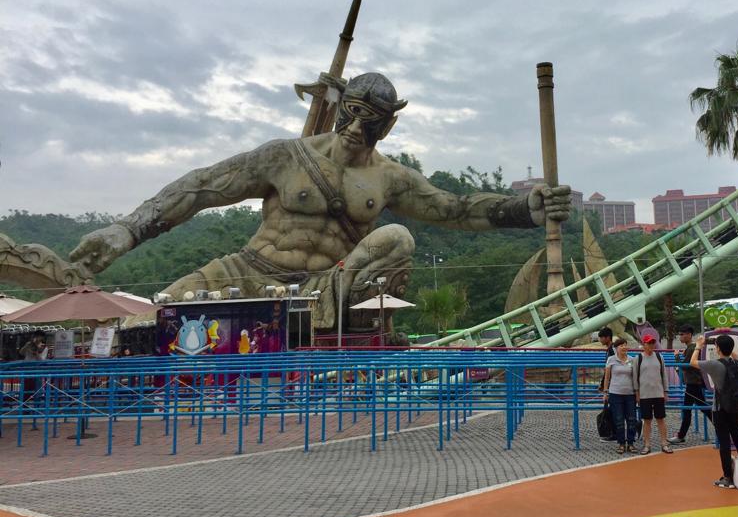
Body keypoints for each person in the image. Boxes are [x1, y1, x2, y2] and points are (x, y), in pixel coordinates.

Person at [69, 73, 572, 340]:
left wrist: (526, 208)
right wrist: (127, 230)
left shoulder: (390, 177)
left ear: (387, 126)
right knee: (148, 321)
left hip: (327, 285)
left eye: (371, 121)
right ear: (340, 107)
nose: (357, 128)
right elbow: (201, 188)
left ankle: (332, 324)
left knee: (398, 238)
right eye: (352, 114)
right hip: (249, 272)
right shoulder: (283, 157)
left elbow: (457, 210)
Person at [688, 333, 738, 489]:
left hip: (721, 408)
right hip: (736, 408)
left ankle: (728, 477)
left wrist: (699, 345)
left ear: (717, 349)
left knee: (724, 442)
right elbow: (736, 356)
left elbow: (692, 362)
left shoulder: (715, 365)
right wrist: (728, 346)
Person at [669, 324, 711, 445]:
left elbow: (684, 367)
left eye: (682, 334)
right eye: (679, 334)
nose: (680, 337)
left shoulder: (692, 348)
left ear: (689, 335)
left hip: (693, 383)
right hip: (693, 383)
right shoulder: (691, 348)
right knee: (692, 409)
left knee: (702, 409)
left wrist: (676, 357)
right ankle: (681, 435)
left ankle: (723, 429)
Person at [634, 334, 672, 455]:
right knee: (647, 420)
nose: (651, 345)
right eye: (648, 343)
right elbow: (635, 378)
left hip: (658, 394)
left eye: (652, 343)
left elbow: (664, 375)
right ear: (643, 344)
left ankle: (664, 443)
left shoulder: (659, 357)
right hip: (644, 395)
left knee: (661, 419)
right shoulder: (638, 358)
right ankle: (647, 444)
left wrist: (665, 391)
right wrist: (637, 393)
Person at [602, 337, 638, 455]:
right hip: (615, 393)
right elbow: (607, 377)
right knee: (618, 419)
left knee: (631, 419)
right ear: (616, 348)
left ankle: (631, 442)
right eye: (621, 345)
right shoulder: (611, 359)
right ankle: (621, 443)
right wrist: (605, 392)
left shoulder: (633, 360)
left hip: (630, 394)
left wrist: (637, 393)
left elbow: (636, 378)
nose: (624, 347)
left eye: (625, 345)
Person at [596, 326, 616, 441]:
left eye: (601, 337)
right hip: (611, 383)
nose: (600, 340)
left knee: (612, 409)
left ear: (607, 337)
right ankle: (613, 432)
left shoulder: (611, 350)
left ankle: (614, 433)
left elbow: (610, 369)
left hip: (613, 384)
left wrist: (605, 386)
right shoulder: (610, 349)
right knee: (611, 408)